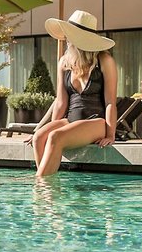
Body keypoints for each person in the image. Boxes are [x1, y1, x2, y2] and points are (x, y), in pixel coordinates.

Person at [32, 10, 117, 177]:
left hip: (96, 122)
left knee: (55, 137)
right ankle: (50, 183)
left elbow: (110, 102)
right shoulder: (64, 62)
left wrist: (111, 134)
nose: (67, 39)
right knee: (38, 138)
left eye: (70, 34)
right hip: (70, 120)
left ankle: (41, 186)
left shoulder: (104, 60)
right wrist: (49, 127)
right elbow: (61, 102)